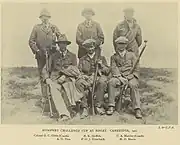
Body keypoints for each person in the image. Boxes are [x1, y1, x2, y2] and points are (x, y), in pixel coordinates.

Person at [42, 34, 83, 120]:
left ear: (67, 44)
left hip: (68, 79)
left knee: (68, 86)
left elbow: (75, 70)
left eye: (64, 43)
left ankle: (73, 109)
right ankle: (64, 114)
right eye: (60, 43)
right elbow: (45, 69)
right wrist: (47, 79)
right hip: (55, 79)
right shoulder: (53, 56)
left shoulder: (72, 56)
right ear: (58, 45)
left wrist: (64, 76)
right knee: (54, 89)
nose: (62, 45)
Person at [29, 8, 62, 106]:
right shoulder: (36, 28)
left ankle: (53, 95)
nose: (45, 19)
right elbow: (31, 41)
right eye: (43, 17)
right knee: (42, 75)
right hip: (41, 56)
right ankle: (44, 97)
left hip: (52, 55)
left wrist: (56, 45)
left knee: (53, 74)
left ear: (49, 17)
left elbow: (61, 38)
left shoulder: (54, 27)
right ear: (40, 18)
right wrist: (37, 51)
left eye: (46, 17)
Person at [107, 36, 142, 119]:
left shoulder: (132, 55)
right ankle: (111, 106)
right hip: (119, 77)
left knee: (133, 85)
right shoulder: (113, 57)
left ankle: (137, 109)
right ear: (116, 45)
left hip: (131, 77)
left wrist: (131, 76)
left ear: (126, 45)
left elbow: (136, 68)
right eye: (119, 44)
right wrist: (120, 77)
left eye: (123, 44)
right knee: (111, 82)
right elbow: (113, 68)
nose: (121, 46)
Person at [75, 39, 110, 119]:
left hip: (98, 77)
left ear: (94, 47)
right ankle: (85, 108)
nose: (90, 49)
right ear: (86, 49)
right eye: (88, 47)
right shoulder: (82, 59)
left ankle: (98, 106)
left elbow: (107, 71)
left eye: (92, 47)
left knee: (102, 81)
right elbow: (79, 72)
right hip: (87, 78)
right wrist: (84, 77)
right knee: (78, 83)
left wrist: (101, 65)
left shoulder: (101, 58)